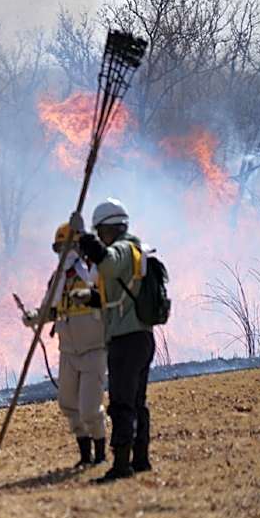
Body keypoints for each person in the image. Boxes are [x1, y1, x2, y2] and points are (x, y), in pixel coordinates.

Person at [73, 198, 155, 482]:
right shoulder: (135, 249)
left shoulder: (122, 248)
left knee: (121, 403)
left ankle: (121, 465)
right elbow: (119, 297)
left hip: (126, 340)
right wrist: (91, 297)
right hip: (141, 337)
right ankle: (141, 459)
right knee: (137, 402)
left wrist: (83, 236)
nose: (100, 238)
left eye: (100, 232)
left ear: (111, 228)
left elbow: (106, 265)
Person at [23, 222, 106, 467]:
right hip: (68, 351)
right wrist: (34, 317)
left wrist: (89, 297)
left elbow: (107, 300)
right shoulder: (57, 279)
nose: (64, 253)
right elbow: (50, 310)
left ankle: (101, 454)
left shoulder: (94, 272)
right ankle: (85, 456)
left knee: (90, 408)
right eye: (60, 248)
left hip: (94, 349)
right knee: (68, 404)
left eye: (68, 247)